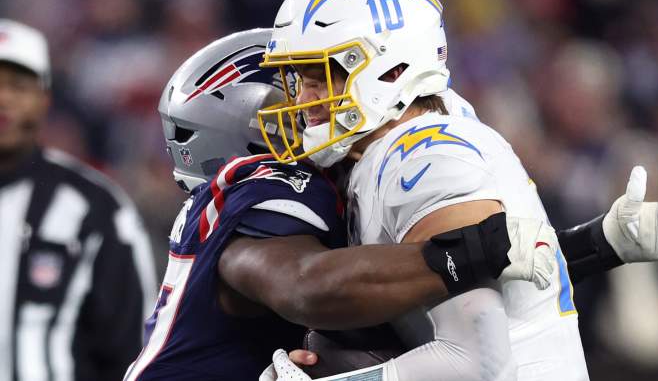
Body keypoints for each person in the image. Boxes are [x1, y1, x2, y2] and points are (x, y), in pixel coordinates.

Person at [256, 0, 658, 381]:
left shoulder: (424, 158)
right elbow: (491, 277)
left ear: (392, 70)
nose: (304, 98)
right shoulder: (400, 146)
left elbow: (480, 364)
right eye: (298, 78)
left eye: (321, 75)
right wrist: (596, 245)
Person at [124, 28, 558, 381]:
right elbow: (304, 285)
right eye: (297, 89)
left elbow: (502, 274)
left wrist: (596, 244)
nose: (309, 103)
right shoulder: (264, 185)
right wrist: (477, 247)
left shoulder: (257, 201)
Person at [0, 18, 158, 380]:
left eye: (17, 85)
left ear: (44, 100)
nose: (3, 98)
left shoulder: (95, 208)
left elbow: (131, 349)